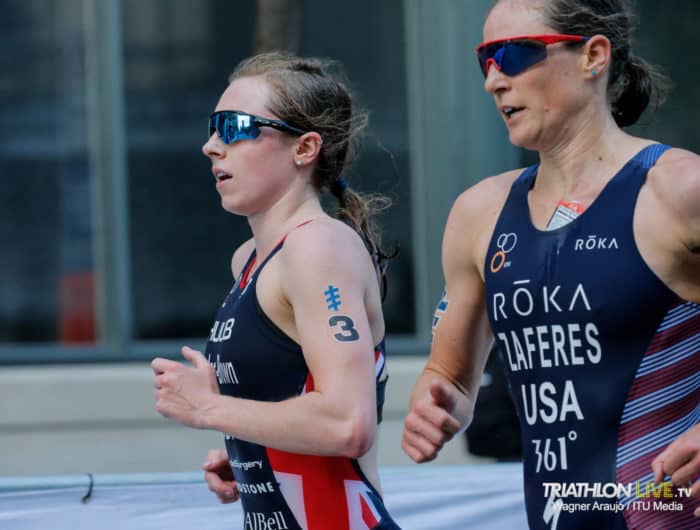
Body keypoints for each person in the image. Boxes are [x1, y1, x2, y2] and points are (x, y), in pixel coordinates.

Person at [401, 0, 699, 528]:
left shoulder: (676, 189)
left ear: (593, 56)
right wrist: (438, 400)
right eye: (483, 60)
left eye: (513, 55)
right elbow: (452, 374)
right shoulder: (479, 213)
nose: (494, 81)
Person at [152, 52, 400, 530]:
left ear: (304, 149)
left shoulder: (317, 246)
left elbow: (347, 423)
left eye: (235, 127)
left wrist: (211, 408)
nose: (211, 146)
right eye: (212, 126)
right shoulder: (250, 259)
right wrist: (253, 458)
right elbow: (291, 400)